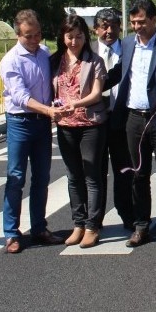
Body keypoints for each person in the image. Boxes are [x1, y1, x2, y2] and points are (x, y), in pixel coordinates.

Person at [111, 0, 156, 249]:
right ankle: (141, 225)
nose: (137, 27)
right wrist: (92, 86)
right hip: (133, 119)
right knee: (138, 175)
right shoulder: (128, 43)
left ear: (154, 20)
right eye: (132, 23)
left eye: (141, 21)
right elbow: (120, 72)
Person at [0, 10, 66, 253]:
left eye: (38, 34)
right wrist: (48, 110)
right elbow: (20, 96)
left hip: (42, 123)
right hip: (20, 122)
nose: (35, 39)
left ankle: (39, 227)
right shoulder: (11, 60)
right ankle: (11, 233)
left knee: (42, 177)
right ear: (18, 35)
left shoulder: (45, 53)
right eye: (29, 36)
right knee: (16, 177)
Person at [51, 14, 108, 248]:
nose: (74, 41)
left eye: (79, 37)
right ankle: (79, 223)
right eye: (69, 37)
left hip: (90, 124)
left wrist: (76, 103)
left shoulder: (94, 61)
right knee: (73, 176)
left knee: (92, 175)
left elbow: (96, 94)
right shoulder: (55, 61)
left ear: (86, 36)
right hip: (65, 127)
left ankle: (93, 226)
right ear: (62, 37)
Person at [92, 8, 134, 231]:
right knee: (95, 172)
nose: (109, 31)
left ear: (120, 26)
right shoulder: (87, 51)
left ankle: (127, 213)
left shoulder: (130, 48)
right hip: (94, 120)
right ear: (95, 28)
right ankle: (94, 219)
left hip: (122, 118)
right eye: (104, 26)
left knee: (124, 170)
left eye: (114, 26)